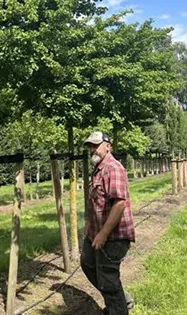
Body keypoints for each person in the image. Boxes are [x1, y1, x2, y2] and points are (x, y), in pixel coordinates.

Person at [81, 131, 135, 315]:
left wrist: (103, 234)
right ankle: (122, 299)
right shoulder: (99, 168)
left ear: (108, 145)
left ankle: (117, 307)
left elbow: (119, 204)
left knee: (108, 278)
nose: (92, 149)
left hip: (114, 235)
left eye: (96, 145)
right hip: (95, 232)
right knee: (87, 263)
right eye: (90, 146)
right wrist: (90, 228)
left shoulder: (113, 168)